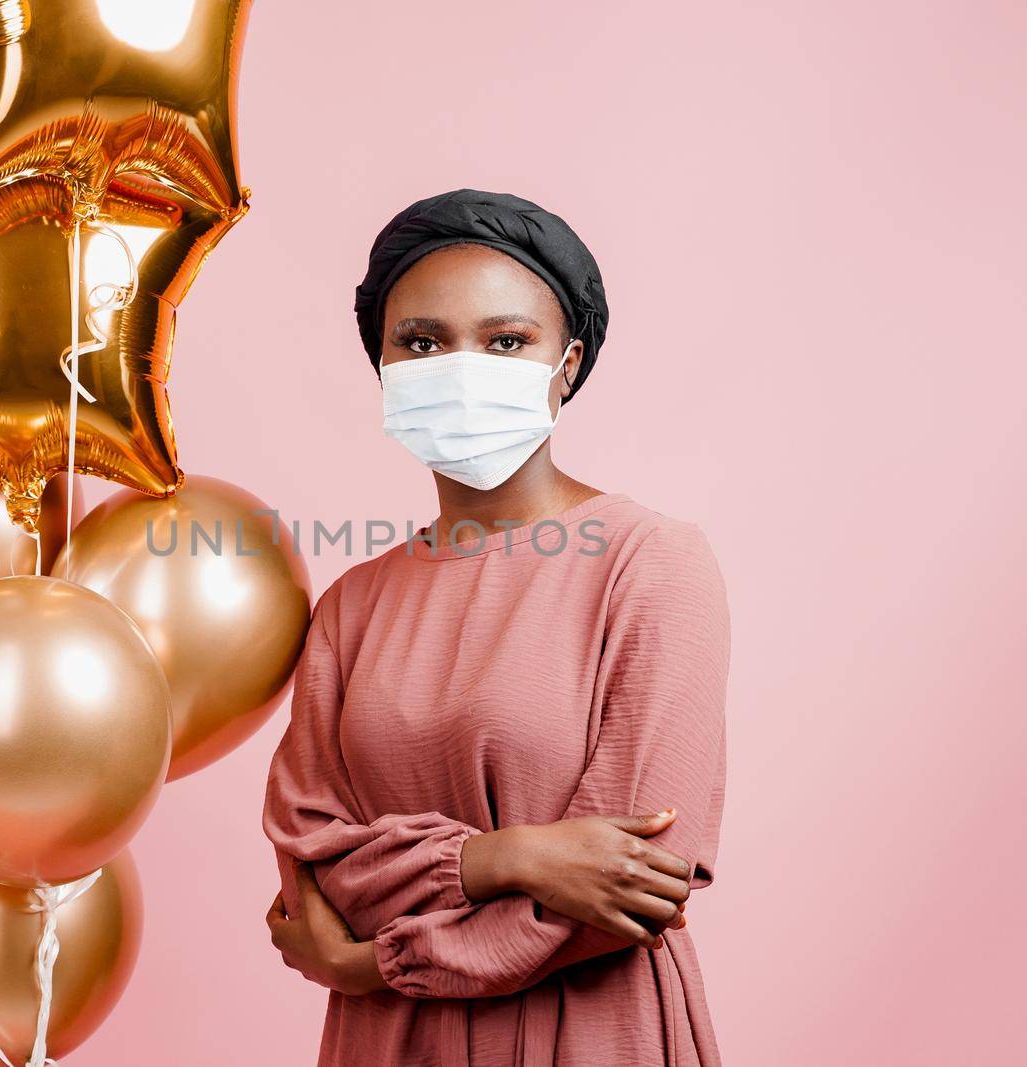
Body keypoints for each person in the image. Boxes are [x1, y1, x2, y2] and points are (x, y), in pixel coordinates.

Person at [262, 188, 730, 1066]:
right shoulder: (353, 605)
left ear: (568, 361)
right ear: (385, 366)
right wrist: (510, 857)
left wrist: (375, 964)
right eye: (423, 341)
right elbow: (314, 862)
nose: (461, 365)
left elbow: (634, 886)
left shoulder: (651, 562)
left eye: (506, 341)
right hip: (388, 1046)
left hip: (585, 1034)